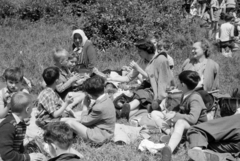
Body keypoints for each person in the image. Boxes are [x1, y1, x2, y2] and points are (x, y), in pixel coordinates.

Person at [107, 39, 173, 119]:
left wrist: (159, 99)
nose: (138, 53)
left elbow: (163, 82)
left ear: (147, 50)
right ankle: (120, 115)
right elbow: (128, 78)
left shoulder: (161, 59)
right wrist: (112, 78)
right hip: (147, 87)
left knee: (141, 95)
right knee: (138, 100)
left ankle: (123, 111)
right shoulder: (142, 61)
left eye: (140, 51)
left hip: (157, 90)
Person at [160, 70, 208, 161]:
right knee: (157, 115)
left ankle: (169, 149)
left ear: (183, 85)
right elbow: (182, 110)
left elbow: (193, 119)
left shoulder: (195, 98)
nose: (177, 83)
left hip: (198, 127)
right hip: (188, 124)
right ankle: (173, 136)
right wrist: (171, 114)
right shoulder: (185, 94)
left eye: (179, 82)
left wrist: (175, 115)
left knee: (180, 122)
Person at [62, 75, 116, 145]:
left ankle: (64, 137)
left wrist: (85, 106)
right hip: (105, 130)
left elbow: (85, 121)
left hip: (100, 136)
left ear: (89, 95)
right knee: (74, 117)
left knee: (69, 122)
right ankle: (59, 122)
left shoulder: (99, 108)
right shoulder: (107, 97)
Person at [0, 92, 46, 161]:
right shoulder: (8, 126)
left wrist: (24, 153)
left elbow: (19, 145)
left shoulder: (20, 123)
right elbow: (6, 155)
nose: (32, 110)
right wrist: (28, 157)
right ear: (27, 110)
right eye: (32, 108)